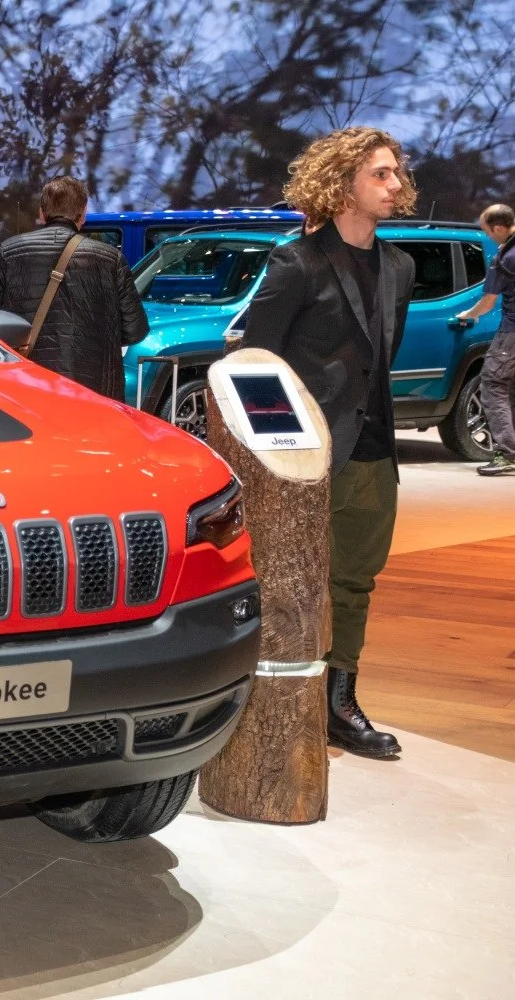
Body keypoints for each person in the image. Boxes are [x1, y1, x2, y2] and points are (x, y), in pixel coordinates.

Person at [242, 126, 418, 758]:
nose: (395, 184)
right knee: (286, 583)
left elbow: (380, 359)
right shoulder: (297, 261)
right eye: (381, 173)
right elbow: (258, 364)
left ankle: (340, 703)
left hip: (373, 451)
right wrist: (275, 459)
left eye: (395, 172)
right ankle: (265, 702)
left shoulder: (400, 266)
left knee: (355, 581)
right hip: (304, 457)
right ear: (343, 181)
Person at [0, 177, 148, 401]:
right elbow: (135, 329)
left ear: (41, 212)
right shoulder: (111, 259)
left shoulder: (8, 253)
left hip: (29, 387)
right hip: (94, 390)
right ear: (83, 213)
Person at [453, 204, 515, 476]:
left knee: (493, 385)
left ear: (499, 228)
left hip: (511, 334)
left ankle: (507, 455)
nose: (489, 236)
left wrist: (467, 314)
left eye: (488, 231)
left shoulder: (504, 258)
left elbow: (488, 302)